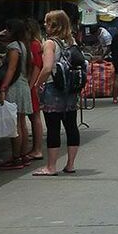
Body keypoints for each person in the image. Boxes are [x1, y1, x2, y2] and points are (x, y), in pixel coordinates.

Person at [31, 10, 83, 176]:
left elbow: (47, 68)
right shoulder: (70, 41)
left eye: (47, 22)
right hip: (70, 89)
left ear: (53, 25)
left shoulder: (49, 43)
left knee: (53, 127)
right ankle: (70, 164)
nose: (45, 25)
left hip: (54, 89)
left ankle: (51, 166)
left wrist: (38, 84)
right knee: (71, 126)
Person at [0, 18, 33, 170]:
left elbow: (11, 70)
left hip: (15, 87)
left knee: (16, 125)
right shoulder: (24, 46)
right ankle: (23, 155)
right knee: (21, 122)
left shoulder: (13, 47)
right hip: (23, 85)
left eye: (8, 29)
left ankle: (16, 157)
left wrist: (3, 88)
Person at [24, 17, 45, 161]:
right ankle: (35, 149)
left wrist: (32, 85)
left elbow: (37, 66)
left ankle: (37, 149)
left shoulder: (34, 45)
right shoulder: (33, 44)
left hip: (32, 84)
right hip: (31, 84)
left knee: (35, 117)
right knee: (33, 117)